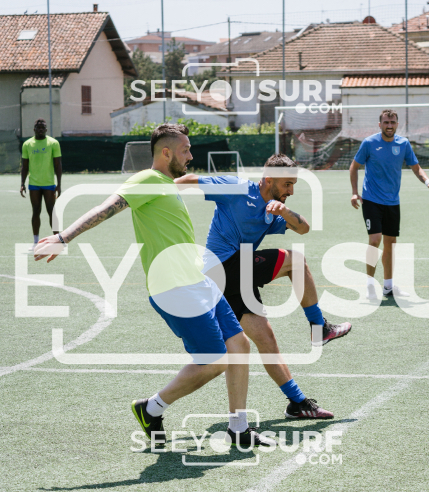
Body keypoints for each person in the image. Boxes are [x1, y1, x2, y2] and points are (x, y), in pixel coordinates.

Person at [34, 123, 270, 448]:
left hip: (198, 280)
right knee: (215, 360)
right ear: (166, 152)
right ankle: (152, 408)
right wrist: (63, 237)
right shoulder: (146, 179)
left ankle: (238, 429)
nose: (190, 156)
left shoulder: (168, 184)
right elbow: (106, 208)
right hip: (174, 288)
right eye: (185, 150)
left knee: (239, 345)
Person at [175, 154, 352, 420]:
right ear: (269, 179)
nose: (291, 191)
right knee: (296, 261)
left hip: (231, 281)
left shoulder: (273, 209)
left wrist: (284, 212)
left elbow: (303, 228)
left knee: (266, 340)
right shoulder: (237, 188)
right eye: (287, 184)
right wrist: (156, 191)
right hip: (221, 268)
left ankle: (298, 403)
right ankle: (319, 328)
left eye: (293, 185)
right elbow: (190, 179)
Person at [349, 108, 429, 300]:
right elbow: (354, 167)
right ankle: (370, 285)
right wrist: (355, 192)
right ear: (380, 124)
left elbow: (416, 168)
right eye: (386, 122)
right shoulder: (369, 143)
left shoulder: (403, 144)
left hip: (392, 201)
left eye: (392, 122)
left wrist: (427, 181)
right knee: (375, 240)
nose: (389, 126)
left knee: (390, 243)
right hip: (371, 199)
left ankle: (388, 287)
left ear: (397, 124)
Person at [21, 119, 62, 250]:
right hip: (34, 184)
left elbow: (58, 165)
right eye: (38, 127)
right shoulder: (27, 144)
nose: (40, 129)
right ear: (34, 129)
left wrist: (59, 184)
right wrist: (22, 183)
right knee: (36, 211)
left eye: (42, 127)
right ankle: (35, 242)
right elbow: (24, 166)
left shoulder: (53, 143)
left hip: (49, 184)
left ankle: (57, 241)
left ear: (46, 129)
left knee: (51, 212)